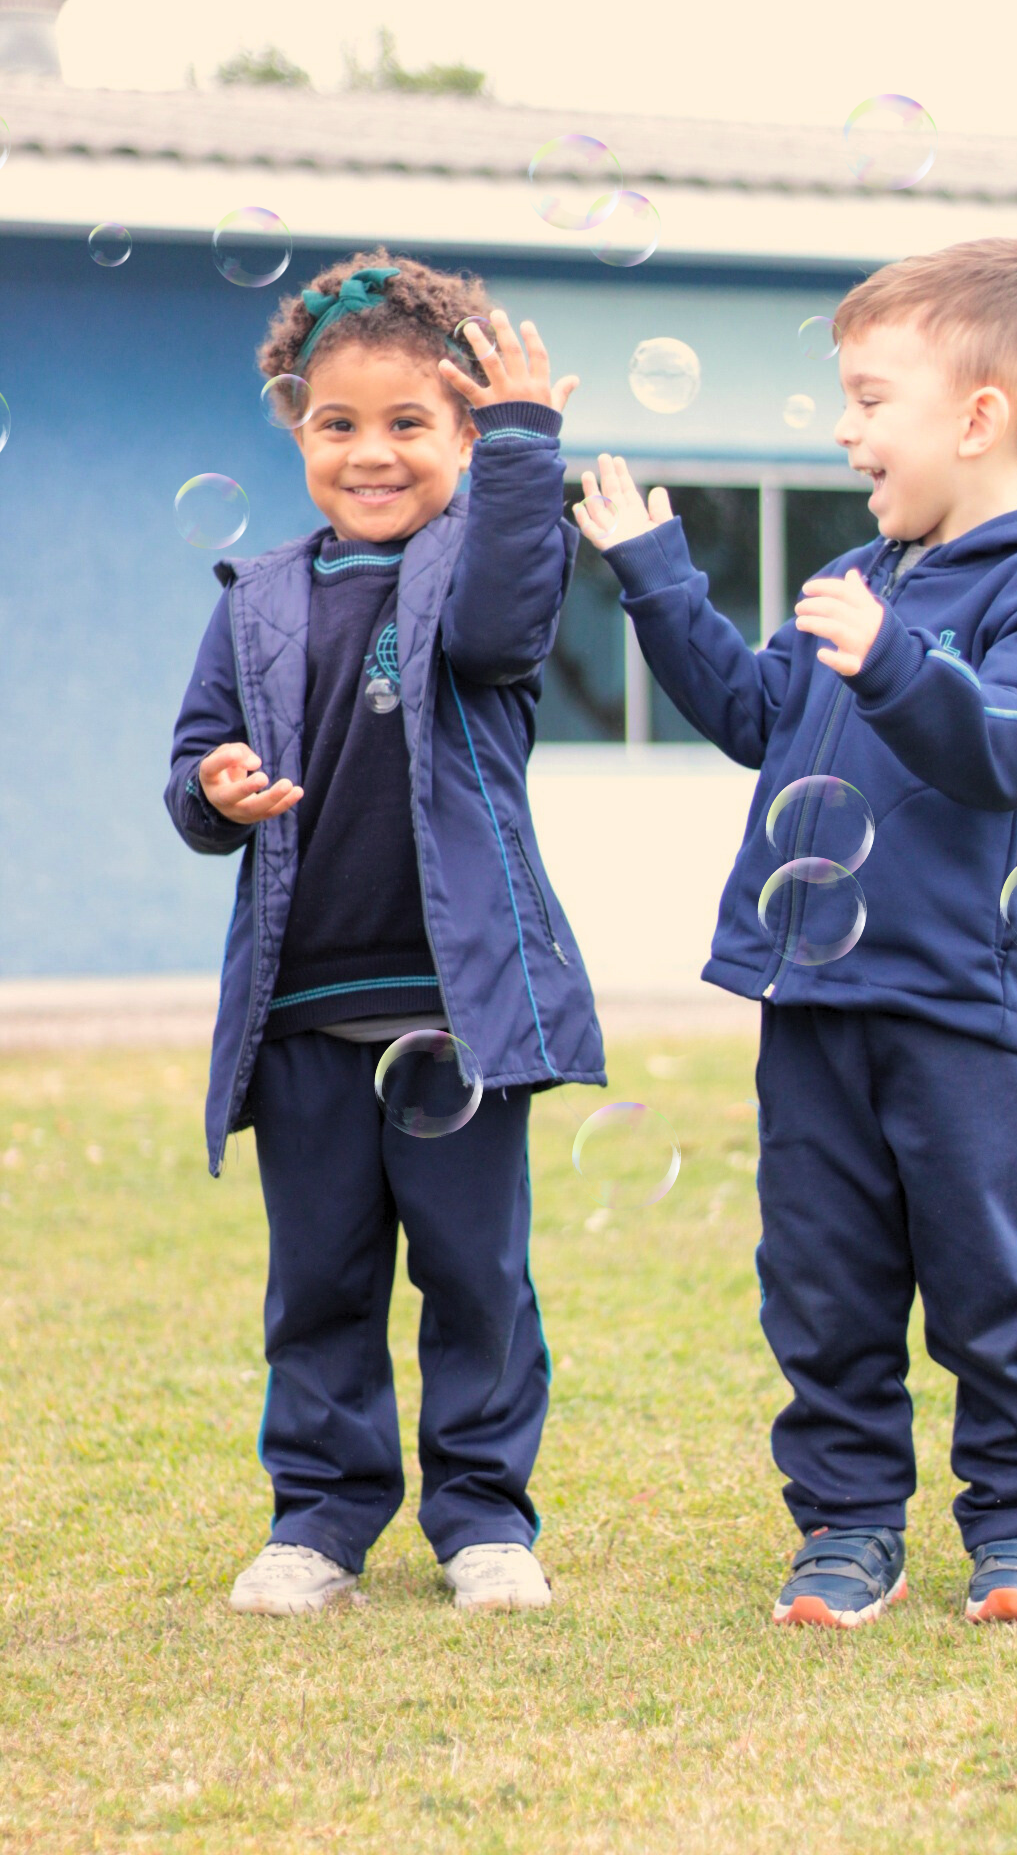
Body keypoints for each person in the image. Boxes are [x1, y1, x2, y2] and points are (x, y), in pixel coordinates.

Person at [574, 238, 1017, 1627]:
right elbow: (757, 719)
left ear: (979, 417)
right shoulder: (866, 570)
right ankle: (846, 1524)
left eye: (872, 399)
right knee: (820, 1285)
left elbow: (1014, 746)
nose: (844, 426)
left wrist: (894, 661)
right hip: (811, 992)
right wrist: (651, 573)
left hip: (958, 1006)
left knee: (991, 1277)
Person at [166, 251, 604, 1616]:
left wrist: (529, 447)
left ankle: (483, 1520)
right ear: (297, 428)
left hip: (455, 1008)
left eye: (412, 423)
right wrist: (215, 791)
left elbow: (505, 616)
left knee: (477, 1280)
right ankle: (319, 1521)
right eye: (339, 423)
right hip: (302, 1014)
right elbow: (193, 767)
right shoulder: (256, 599)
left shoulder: (475, 569)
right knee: (319, 1284)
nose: (372, 452)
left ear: (462, 436)